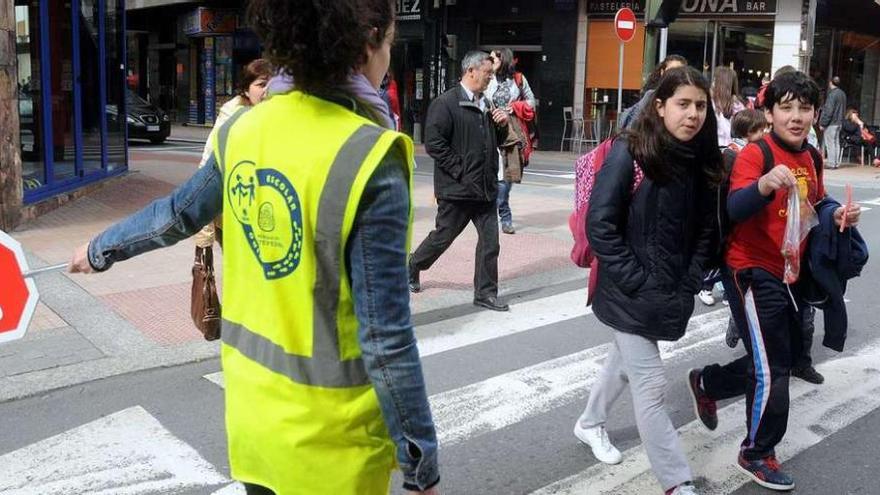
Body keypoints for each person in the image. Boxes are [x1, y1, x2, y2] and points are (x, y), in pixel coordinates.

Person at [69, 1, 440, 494]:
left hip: (253, 417)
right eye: (390, 44)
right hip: (332, 445)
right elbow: (386, 336)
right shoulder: (369, 154)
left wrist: (100, 248)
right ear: (369, 42)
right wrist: (419, 462)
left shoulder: (242, 131)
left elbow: (177, 214)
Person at [687, 71, 861, 492]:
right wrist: (765, 184)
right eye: (786, 107)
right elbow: (734, 206)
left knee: (775, 357)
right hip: (750, 268)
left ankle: (708, 382)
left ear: (816, 113)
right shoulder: (755, 154)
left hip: (790, 272)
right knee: (775, 367)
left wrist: (835, 214)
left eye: (804, 108)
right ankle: (757, 452)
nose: (796, 116)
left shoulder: (812, 157)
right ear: (769, 111)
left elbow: (815, 202)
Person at [574, 66, 721, 495]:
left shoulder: (702, 161)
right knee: (652, 385)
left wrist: (691, 278)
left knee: (622, 365)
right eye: (683, 104)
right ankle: (677, 483)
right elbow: (600, 224)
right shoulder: (631, 151)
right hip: (628, 291)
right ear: (659, 106)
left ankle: (589, 422)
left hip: (668, 289)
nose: (693, 114)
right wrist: (637, 280)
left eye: (700, 105)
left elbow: (705, 231)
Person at [408, 50, 511, 312]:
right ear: (471, 71)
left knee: (491, 243)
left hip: (485, 188)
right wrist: (460, 170)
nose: (489, 78)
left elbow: (494, 143)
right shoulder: (445, 103)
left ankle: (485, 293)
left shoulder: (485, 104)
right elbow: (434, 143)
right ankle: (413, 264)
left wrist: (500, 125)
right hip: (458, 189)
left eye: (491, 74)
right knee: (443, 238)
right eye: (487, 73)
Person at [194, 58, 273, 248]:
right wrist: (204, 234)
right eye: (261, 84)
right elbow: (207, 167)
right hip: (235, 211)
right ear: (246, 89)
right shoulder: (232, 116)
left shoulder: (276, 115)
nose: (267, 90)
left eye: (272, 84)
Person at [719, 109, 769, 349]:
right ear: (745, 133)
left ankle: (738, 322)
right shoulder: (733, 155)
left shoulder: (755, 152)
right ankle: (737, 322)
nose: (764, 134)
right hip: (736, 231)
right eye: (758, 130)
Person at [486, 48, 537, 235]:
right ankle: (498, 217)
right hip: (489, 130)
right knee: (493, 175)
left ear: (503, 59)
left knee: (507, 176)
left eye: (493, 57)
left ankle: (504, 216)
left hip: (511, 131)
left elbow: (531, 102)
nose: (490, 60)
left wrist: (512, 108)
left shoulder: (518, 79)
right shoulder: (487, 77)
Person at [619, 54, 688, 130]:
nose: (675, 75)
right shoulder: (651, 95)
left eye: (680, 71)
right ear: (662, 72)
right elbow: (633, 125)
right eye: (671, 70)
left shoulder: (689, 97)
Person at [819, 76, 847, 169]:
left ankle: (831, 163)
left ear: (831, 83)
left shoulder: (832, 94)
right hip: (839, 122)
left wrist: (823, 123)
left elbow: (829, 110)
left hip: (832, 123)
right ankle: (836, 163)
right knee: (836, 143)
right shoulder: (842, 94)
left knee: (830, 143)